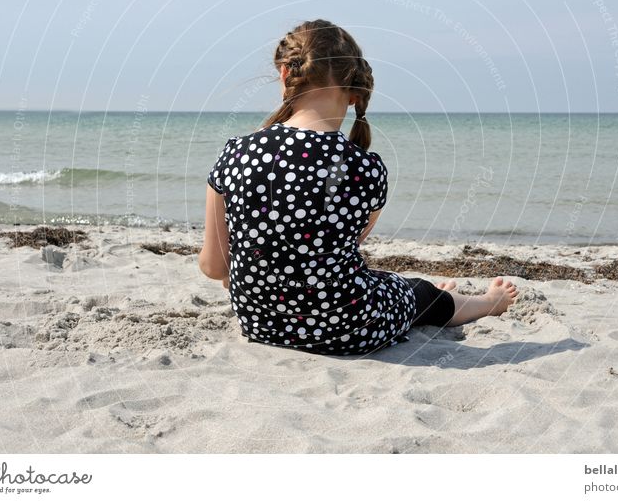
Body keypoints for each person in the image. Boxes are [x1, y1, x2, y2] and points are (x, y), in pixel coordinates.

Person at [199, 19, 518, 355]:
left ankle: (440, 297)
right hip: (348, 329)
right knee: (416, 291)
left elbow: (214, 267)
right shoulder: (366, 167)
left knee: (400, 288)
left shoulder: (236, 152)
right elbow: (336, 253)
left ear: (285, 74)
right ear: (355, 93)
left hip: (261, 323)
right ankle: (487, 302)